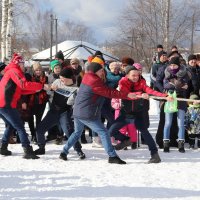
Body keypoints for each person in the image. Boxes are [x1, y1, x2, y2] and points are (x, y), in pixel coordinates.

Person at [59, 62, 137, 164]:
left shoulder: (88, 76)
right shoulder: (94, 80)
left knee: (77, 133)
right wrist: (127, 95)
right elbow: (109, 92)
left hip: (79, 110)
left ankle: (63, 152)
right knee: (103, 133)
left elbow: (106, 89)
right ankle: (112, 156)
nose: (102, 72)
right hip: (86, 113)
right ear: (94, 71)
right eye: (100, 71)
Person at [108, 65, 173, 163]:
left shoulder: (142, 82)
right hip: (125, 112)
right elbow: (126, 94)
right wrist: (141, 94)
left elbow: (150, 91)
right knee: (111, 131)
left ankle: (155, 155)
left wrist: (165, 96)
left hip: (138, 112)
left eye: (137, 75)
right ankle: (126, 140)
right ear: (127, 75)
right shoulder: (122, 82)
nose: (136, 77)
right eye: (133, 75)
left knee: (145, 132)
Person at [0, 53, 46, 159]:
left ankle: (3, 147)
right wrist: (42, 86)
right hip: (5, 104)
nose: (23, 65)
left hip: (5, 104)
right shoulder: (14, 71)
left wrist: (37, 89)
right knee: (19, 125)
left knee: (12, 124)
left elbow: (21, 90)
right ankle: (27, 150)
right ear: (18, 63)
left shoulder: (12, 71)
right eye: (22, 63)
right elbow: (24, 85)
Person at [34, 68, 85, 159]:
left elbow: (72, 103)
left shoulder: (75, 89)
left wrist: (72, 98)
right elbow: (48, 90)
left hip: (64, 113)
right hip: (53, 111)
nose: (61, 80)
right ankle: (41, 147)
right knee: (40, 129)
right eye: (60, 78)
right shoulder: (57, 81)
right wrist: (50, 88)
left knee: (70, 133)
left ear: (69, 78)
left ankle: (79, 150)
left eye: (62, 78)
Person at [163, 56, 192, 153]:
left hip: (181, 99)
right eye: (171, 65)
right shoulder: (167, 73)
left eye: (174, 65)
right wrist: (177, 85)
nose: (172, 67)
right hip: (170, 99)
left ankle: (181, 144)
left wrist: (176, 85)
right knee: (168, 123)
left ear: (178, 65)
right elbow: (165, 84)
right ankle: (166, 144)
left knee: (180, 123)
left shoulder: (185, 73)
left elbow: (186, 85)